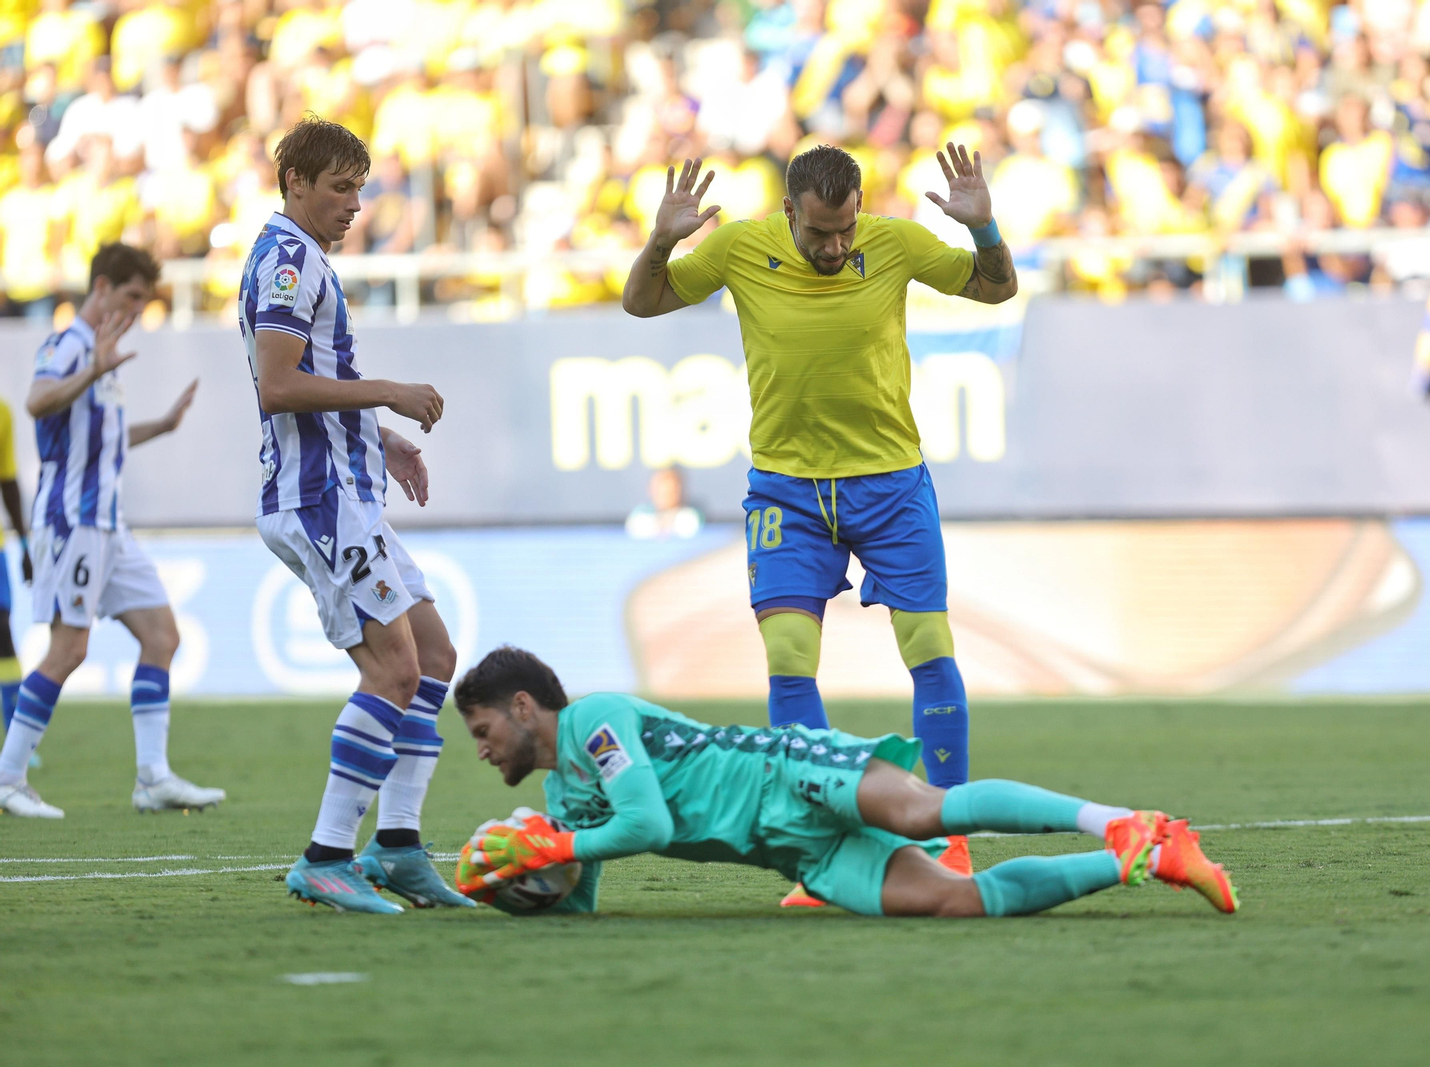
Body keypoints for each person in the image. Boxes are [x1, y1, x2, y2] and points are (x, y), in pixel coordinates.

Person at [620, 142, 1017, 903]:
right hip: (788, 494)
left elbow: (996, 290)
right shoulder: (740, 248)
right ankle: (827, 855)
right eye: (819, 233)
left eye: (845, 230)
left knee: (930, 650)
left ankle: (949, 843)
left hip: (892, 484)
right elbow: (642, 302)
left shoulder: (896, 243)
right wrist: (662, 242)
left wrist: (985, 230)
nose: (835, 247)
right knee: (790, 662)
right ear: (787, 213)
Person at [452, 645, 1238, 918]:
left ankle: (1117, 819)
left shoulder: (596, 720)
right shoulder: (561, 798)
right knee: (956, 900)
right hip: (797, 851)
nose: (483, 750)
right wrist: (512, 884)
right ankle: (1149, 855)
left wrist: (557, 846)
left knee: (926, 811)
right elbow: (577, 898)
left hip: (787, 774)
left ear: (523, 706)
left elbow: (647, 825)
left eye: (483, 730)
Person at [241, 116, 468, 914]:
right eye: (340, 188)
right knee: (393, 669)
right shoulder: (287, 260)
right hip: (319, 498)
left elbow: (313, 379)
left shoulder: (306, 257)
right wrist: (389, 391)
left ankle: (397, 845)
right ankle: (326, 855)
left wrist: (383, 437)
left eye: (360, 189)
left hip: (349, 491)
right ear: (295, 182)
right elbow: (279, 384)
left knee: (433, 655)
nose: (354, 205)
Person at [0, 243, 220, 819]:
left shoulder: (102, 356)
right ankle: (8, 778)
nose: (137, 309)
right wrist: (93, 369)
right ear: (101, 288)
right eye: (131, 296)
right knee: (69, 649)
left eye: (144, 300)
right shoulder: (70, 345)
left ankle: (153, 778)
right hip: (72, 520)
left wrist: (162, 427)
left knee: (162, 636)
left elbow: (104, 440)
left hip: (108, 526)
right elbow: (37, 402)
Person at [0, 395, 35, 767]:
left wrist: (24, 544)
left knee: (2, 633)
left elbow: (7, 480)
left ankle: (15, 739)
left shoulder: (2, 412)